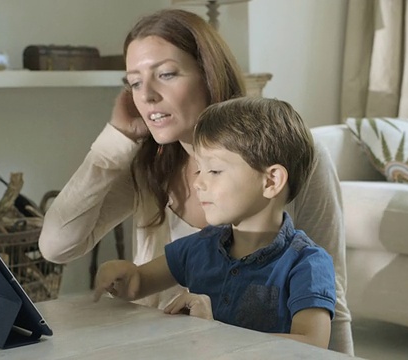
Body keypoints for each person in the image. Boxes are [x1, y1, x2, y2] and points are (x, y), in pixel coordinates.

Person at [38, 8, 354, 355]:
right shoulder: (147, 163)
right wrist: (114, 141)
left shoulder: (291, 155)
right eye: (134, 82)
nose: (147, 96)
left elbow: (328, 299)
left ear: (208, 74)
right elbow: (57, 246)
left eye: (167, 74)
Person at [93, 97, 336, 349]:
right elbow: (139, 282)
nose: (198, 183)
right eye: (199, 170)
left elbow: (312, 344)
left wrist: (214, 332)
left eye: (215, 171)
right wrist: (119, 275)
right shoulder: (199, 247)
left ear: (271, 181)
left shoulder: (307, 263)